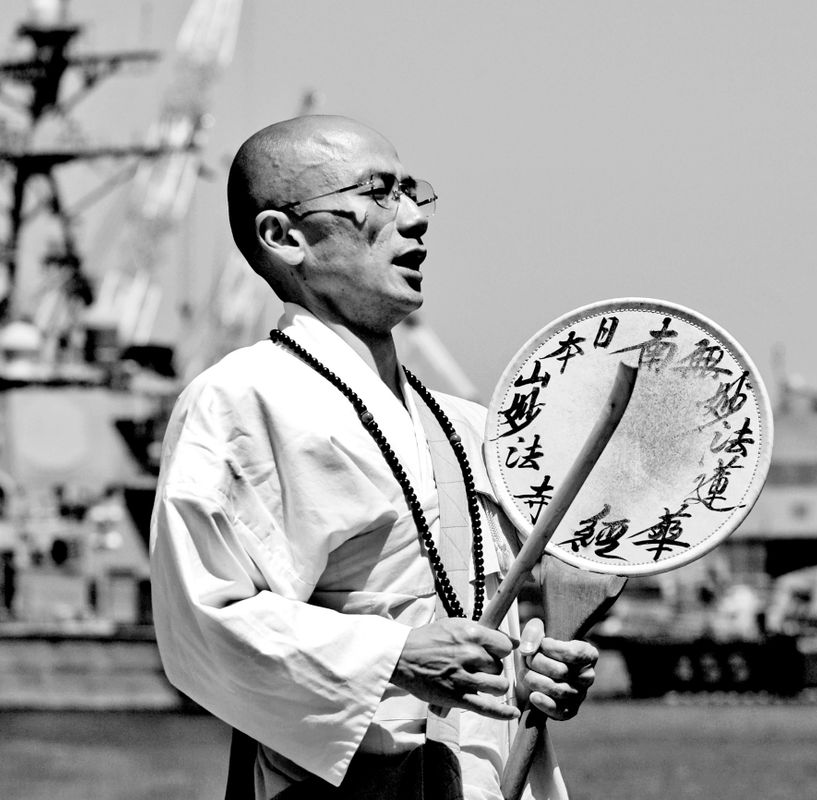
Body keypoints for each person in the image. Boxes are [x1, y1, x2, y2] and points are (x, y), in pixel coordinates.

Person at [150, 115, 598, 800]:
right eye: (379, 194)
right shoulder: (242, 399)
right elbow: (204, 621)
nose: (414, 218)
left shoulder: (468, 425)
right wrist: (396, 655)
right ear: (284, 236)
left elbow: (509, 619)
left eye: (413, 192)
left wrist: (536, 670)